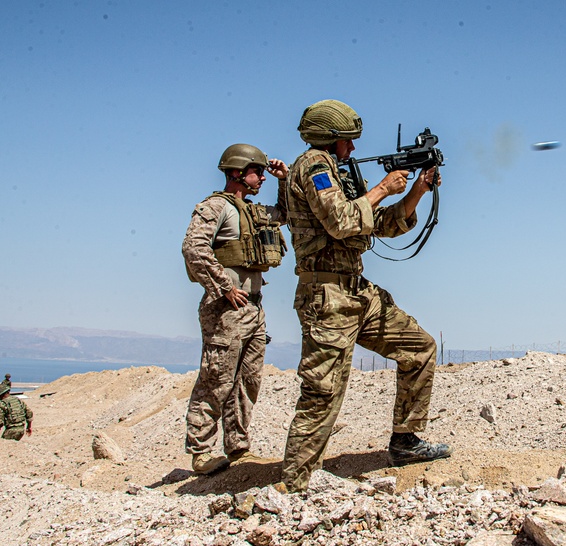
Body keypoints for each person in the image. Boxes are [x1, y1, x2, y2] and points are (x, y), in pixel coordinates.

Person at [279, 99, 450, 492]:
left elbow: (384, 225)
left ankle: (406, 442)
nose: (353, 149)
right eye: (348, 142)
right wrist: (381, 189)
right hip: (328, 296)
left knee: (419, 348)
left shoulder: (338, 173)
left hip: (357, 292)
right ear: (331, 138)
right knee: (323, 390)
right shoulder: (314, 167)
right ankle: (295, 484)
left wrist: (418, 191)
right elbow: (341, 222)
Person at [182, 143, 288, 475]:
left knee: (248, 381)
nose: (261, 178)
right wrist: (224, 287)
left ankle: (237, 446)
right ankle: (201, 452)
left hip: (254, 310)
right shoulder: (215, 207)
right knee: (217, 379)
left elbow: (285, 213)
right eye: (257, 171)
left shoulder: (252, 211)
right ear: (238, 173)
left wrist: (284, 179)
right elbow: (193, 248)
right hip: (226, 310)